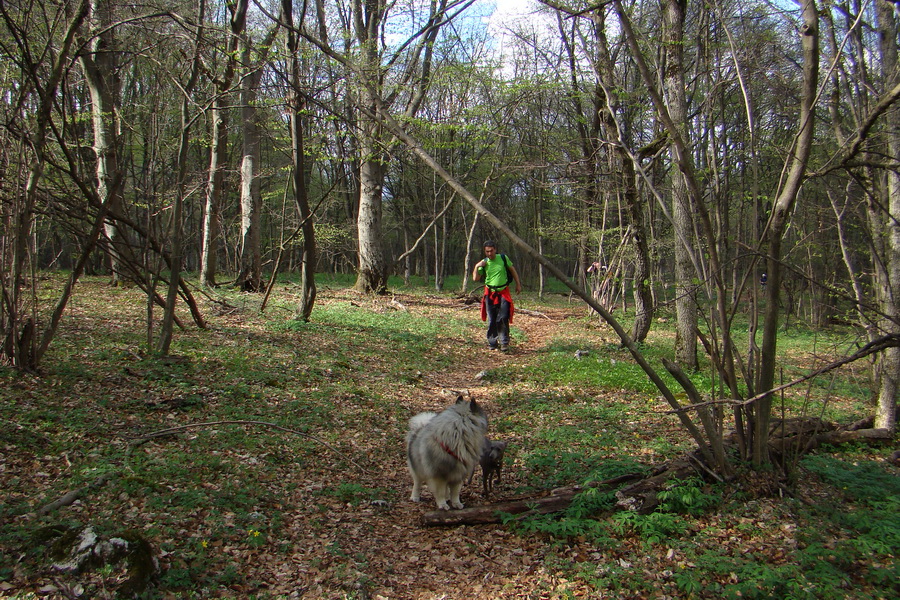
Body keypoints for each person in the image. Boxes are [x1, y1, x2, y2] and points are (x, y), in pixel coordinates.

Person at [472, 240, 522, 351]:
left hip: (503, 291)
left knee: (503, 317)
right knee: (492, 318)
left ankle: (504, 342)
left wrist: (518, 284)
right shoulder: (484, 263)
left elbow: (512, 270)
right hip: (490, 293)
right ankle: (492, 342)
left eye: (491, 251)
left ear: (495, 249)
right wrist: (477, 266)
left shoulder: (503, 258)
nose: (489, 253)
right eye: (487, 251)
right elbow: (475, 278)